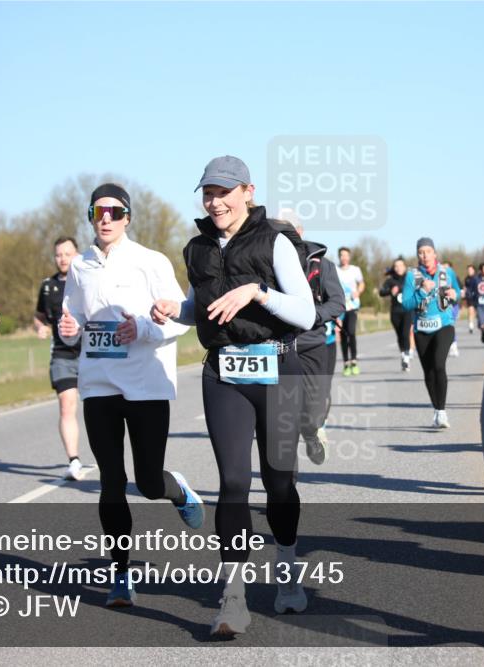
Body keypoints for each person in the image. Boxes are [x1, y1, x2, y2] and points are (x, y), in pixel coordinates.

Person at [151, 156, 315, 637]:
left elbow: (304, 314)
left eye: (224, 192)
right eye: (208, 193)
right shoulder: (197, 249)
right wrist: (174, 312)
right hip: (223, 371)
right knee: (234, 483)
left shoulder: (276, 241)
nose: (215, 201)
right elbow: (200, 306)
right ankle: (234, 598)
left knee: (280, 482)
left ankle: (286, 568)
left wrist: (257, 292)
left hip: (277, 369)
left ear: (248, 191)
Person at [58, 183, 202, 609]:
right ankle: (120, 575)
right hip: (99, 383)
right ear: (90, 216)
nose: (106, 218)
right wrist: (69, 330)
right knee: (112, 482)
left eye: (115, 212)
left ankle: (179, 491)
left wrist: (142, 328)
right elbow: (75, 317)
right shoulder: (79, 266)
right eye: (98, 211)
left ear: (127, 218)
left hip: (145, 384)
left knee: (149, 482)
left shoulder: (150, 262)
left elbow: (182, 319)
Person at [33, 237, 84, 481]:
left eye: (67, 253)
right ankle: (73, 460)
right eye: (58, 255)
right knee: (67, 405)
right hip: (62, 355)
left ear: (77, 254)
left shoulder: (87, 280)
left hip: (91, 354)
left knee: (101, 409)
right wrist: (40, 327)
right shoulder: (47, 286)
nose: (62, 259)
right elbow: (39, 315)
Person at [294, 223, 345, 464]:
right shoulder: (264, 262)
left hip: (313, 343)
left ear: (300, 231)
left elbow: (337, 303)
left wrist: (312, 316)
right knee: (281, 416)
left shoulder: (323, 266)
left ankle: (312, 432)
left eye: (289, 231)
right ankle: (284, 490)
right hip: (278, 346)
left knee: (313, 407)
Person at [402, 237, 462, 428]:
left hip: (444, 324)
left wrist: (455, 295)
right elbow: (406, 303)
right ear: (417, 255)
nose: (424, 255)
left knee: (438, 364)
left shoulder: (447, 272)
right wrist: (421, 291)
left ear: (434, 253)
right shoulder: (412, 276)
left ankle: (442, 411)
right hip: (422, 328)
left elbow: (458, 292)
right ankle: (436, 409)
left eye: (428, 251)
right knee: (428, 371)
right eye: (421, 252)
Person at [380, 257, 413, 371]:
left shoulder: (410, 278)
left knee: (405, 333)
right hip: (395, 312)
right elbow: (381, 292)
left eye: (400, 265)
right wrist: (390, 291)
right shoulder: (390, 280)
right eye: (396, 266)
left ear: (405, 266)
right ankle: (403, 353)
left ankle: (406, 358)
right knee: (399, 336)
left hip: (407, 310)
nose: (398, 268)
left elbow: (417, 289)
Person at [336, 247, 365, 376]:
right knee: (343, 334)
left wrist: (357, 292)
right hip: (340, 306)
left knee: (351, 332)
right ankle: (346, 363)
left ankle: (354, 361)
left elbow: (362, 283)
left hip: (352, 305)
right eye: (342, 255)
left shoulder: (355, 270)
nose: (344, 258)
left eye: (346, 255)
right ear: (339, 257)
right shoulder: (335, 270)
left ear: (349, 257)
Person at [463, 265, 479, 333]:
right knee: (470, 311)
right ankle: (471, 326)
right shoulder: (466, 279)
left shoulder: (477, 278)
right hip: (470, 297)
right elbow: (465, 288)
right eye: (468, 270)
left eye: (470, 270)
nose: (469, 271)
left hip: (477, 297)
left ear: (474, 270)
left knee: (477, 312)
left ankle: (481, 323)